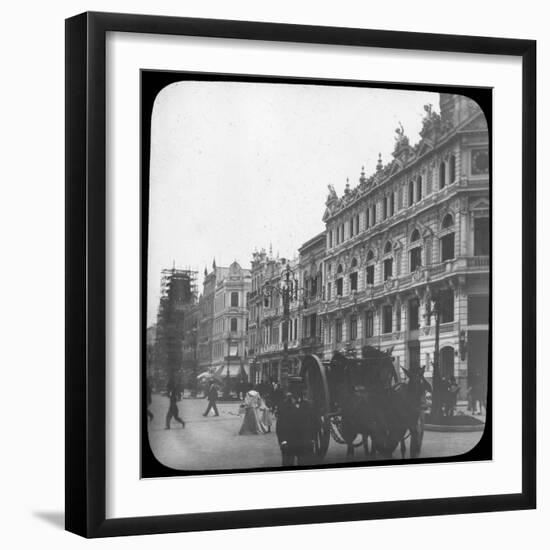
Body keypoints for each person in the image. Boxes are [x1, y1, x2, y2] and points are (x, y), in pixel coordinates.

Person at [276, 381, 318, 466]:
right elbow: (280, 425)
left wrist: (312, 438)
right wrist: (283, 441)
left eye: (300, 390)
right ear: (291, 392)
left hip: (305, 443)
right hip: (289, 443)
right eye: (296, 390)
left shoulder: (308, 405)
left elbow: (315, 423)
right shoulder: (283, 406)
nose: (299, 393)